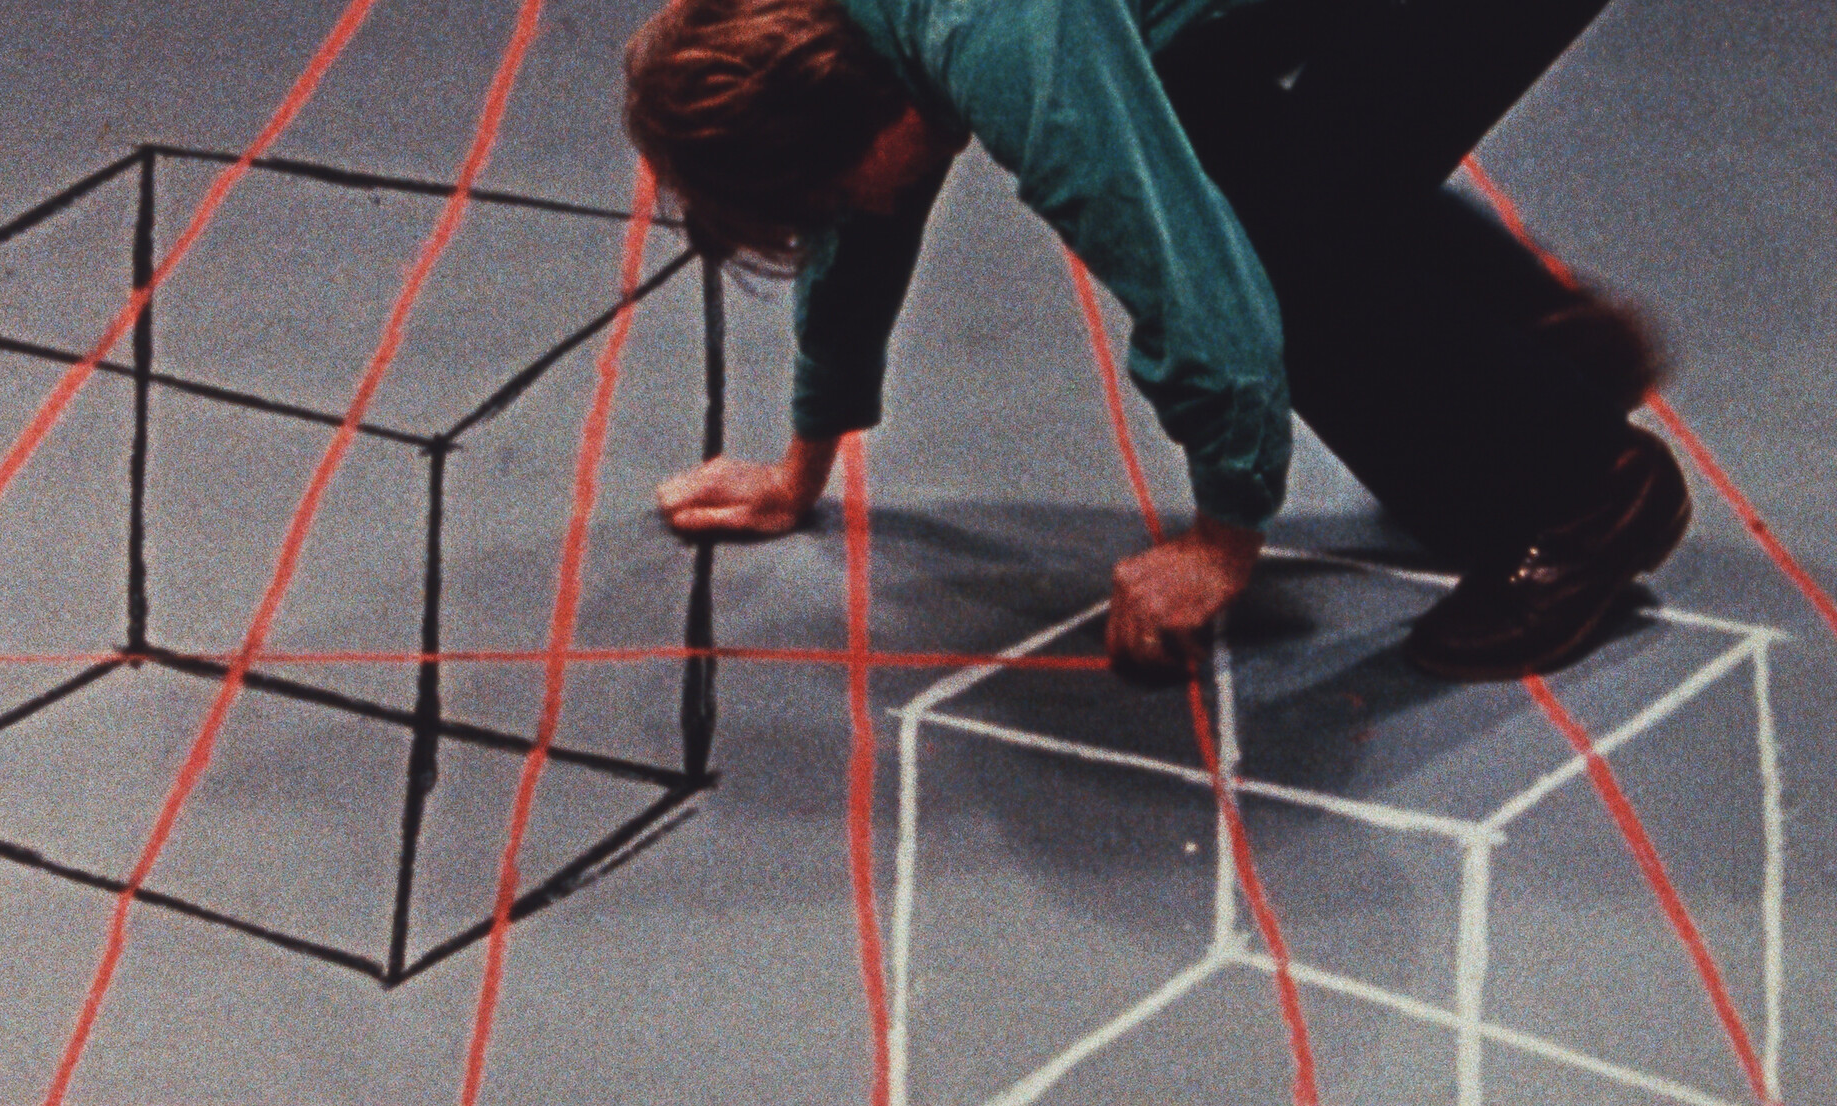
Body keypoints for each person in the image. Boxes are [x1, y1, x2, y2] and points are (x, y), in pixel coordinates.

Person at [623, 0, 1690, 680]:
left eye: (819, 192)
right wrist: (800, 463)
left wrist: (1220, 538)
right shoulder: (847, 32)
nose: (832, 217)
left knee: (1274, 233)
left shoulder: (991, 32)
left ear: (853, 123)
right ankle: (1537, 343)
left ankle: (1588, 491)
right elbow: (856, 236)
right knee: (1235, 144)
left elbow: (1188, 279)